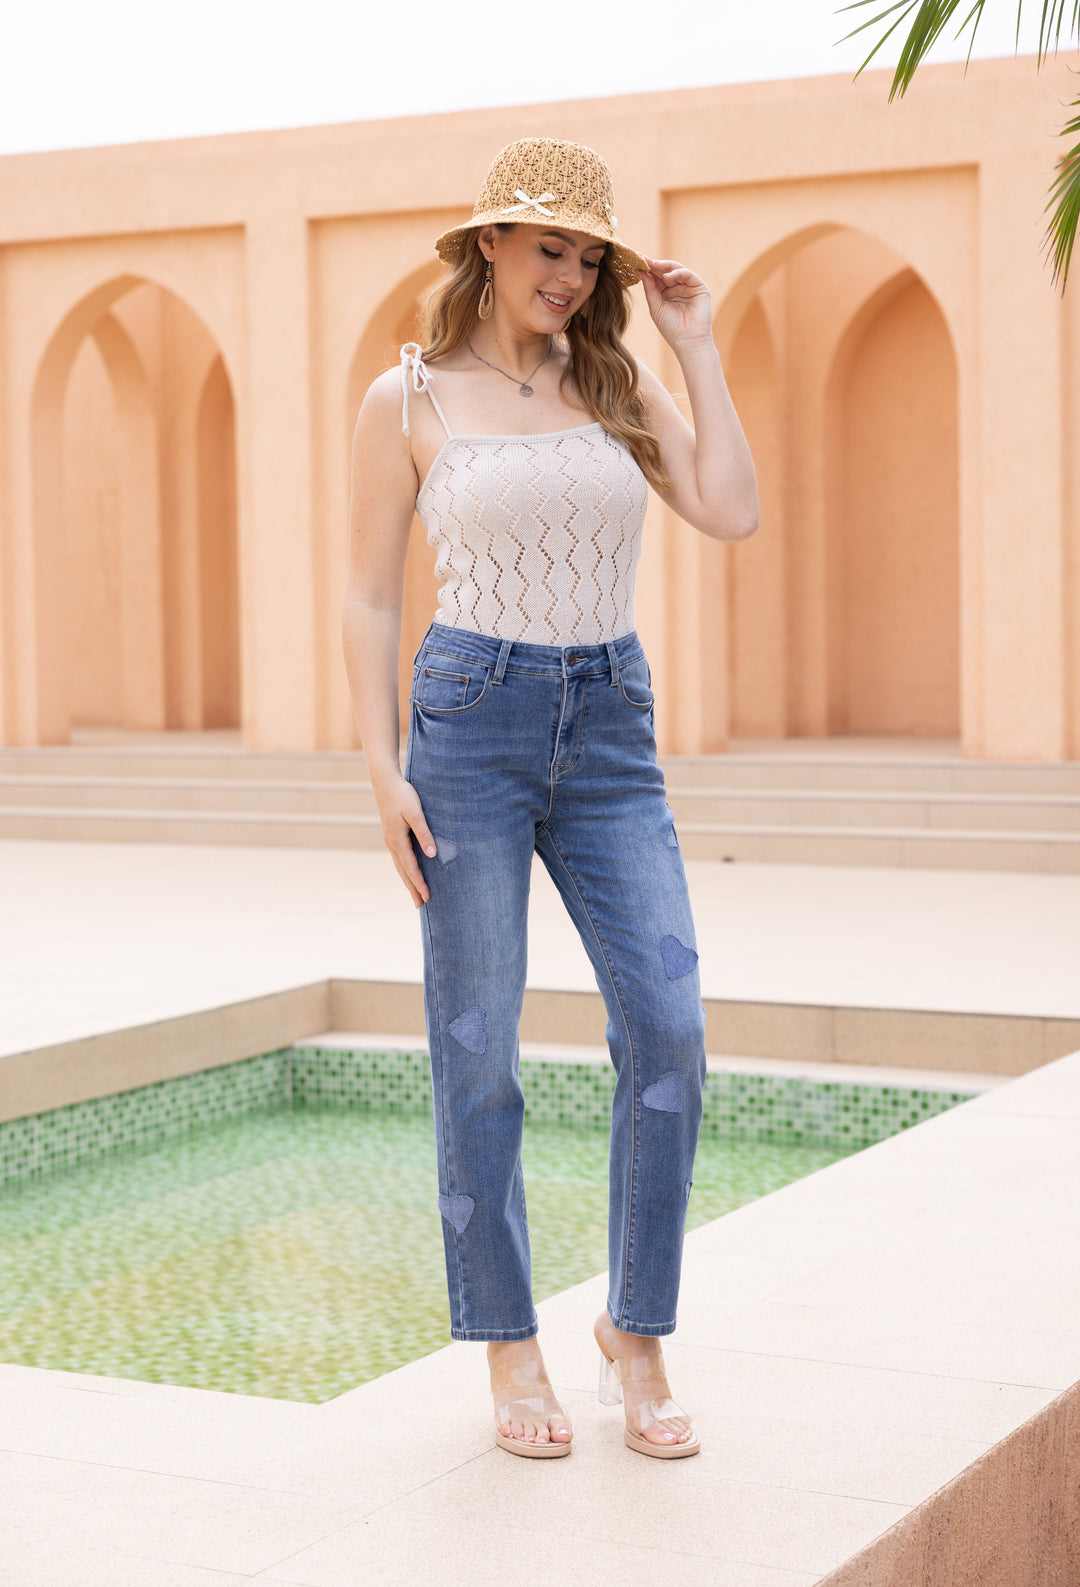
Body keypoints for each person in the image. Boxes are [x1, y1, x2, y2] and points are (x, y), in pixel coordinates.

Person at [342, 136, 757, 1461]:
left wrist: (694, 345)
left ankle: (636, 1329)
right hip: (467, 724)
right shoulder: (406, 395)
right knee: (478, 1046)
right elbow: (368, 595)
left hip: (611, 726)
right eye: (547, 247)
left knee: (670, 1028)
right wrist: (380, 768)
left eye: (588, 255)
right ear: (490, 246)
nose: (569, 275)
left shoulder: (616, 382)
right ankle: (509, 1343)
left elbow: (730, 509)